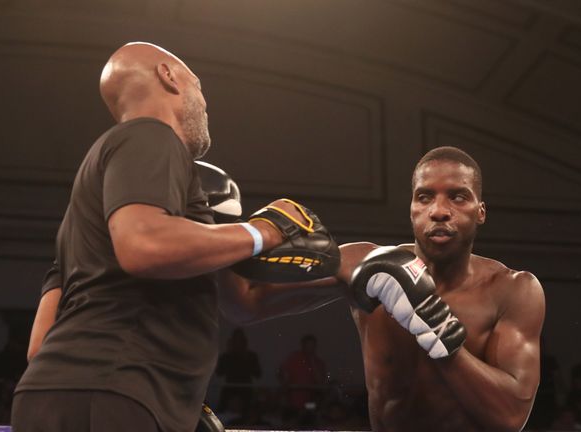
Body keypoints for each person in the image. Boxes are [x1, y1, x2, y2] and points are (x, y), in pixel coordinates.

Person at [12, 41, 333, 432]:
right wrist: (266, 231)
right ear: (168, 76)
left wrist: (351, 272)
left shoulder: (81, 221)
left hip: (49, 395)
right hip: (117, 388)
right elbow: (144, 246)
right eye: (199, 86)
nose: (205, 104)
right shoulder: (150, 134)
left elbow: (39, 347)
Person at [216, 146, 546, 431]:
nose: (439, 211)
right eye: (424, 197)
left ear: (481, 212)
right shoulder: (364, 264)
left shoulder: (513, 290)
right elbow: (244, 304)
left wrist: (437, 331)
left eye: (458, 196)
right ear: (412, 209)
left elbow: (511, 417)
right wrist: (223, 226)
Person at [277, 334, 328, 421]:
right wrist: (284, 383)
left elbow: (320, 382)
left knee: (308, 418)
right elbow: (281, 372)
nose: (310, 348)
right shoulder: (293, 358)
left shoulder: (319, 362)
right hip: (293, 401)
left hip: (310, 402)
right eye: (308, 345)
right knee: (293, 420)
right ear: (303, 345)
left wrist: (312, 362)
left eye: (312, 346)